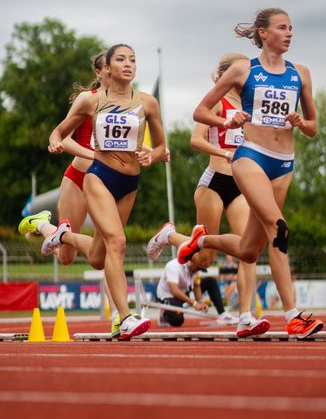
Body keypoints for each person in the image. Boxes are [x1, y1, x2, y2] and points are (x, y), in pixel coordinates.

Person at [177, 8, 324, 339]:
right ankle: (293, 315)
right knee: (279, 227)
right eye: (282, 28)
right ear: (262, 32)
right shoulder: (244, 70)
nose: (289, 33)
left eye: (291, 28)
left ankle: (201, 240)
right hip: (250, 158)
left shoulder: (301, 73)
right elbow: (200, 111)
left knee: (248, 250)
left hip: (283, 163)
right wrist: (226, 121)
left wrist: (302, 123)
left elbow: (314, 127)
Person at [34, 44, 165, 339]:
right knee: (117, 242)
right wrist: (57, 142)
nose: (128, 64)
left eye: (133, 59)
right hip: (98, 177)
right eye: (121, 59)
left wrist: (152, 156)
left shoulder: (148, 103)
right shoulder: (90, 101)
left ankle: (59, 233)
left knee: (98, 256)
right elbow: (59, 132)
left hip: (130, 182)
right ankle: (125, 316)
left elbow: (160, 146)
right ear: (106, 68)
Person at [147, 53, 270, 337]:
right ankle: (169, 236)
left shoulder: (253, 105)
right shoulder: (218, 101)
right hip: (213, 183)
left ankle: (245, 317)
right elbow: (195, 140)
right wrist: (225, 152)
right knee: (203, 260)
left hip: (242, 186)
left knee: (248, 251)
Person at [156, 257, 235, 327]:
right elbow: (174, 291)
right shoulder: (173, 266)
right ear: (190, 262)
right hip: (168, 295)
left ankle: (222, 314)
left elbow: (196, 286)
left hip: (184, 291)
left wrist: (200, 302)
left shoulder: (195, 269)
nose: (198, 270)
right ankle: (164, 312)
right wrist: (193, 303)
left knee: (211, 281)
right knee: (177, 321)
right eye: (198, 268)